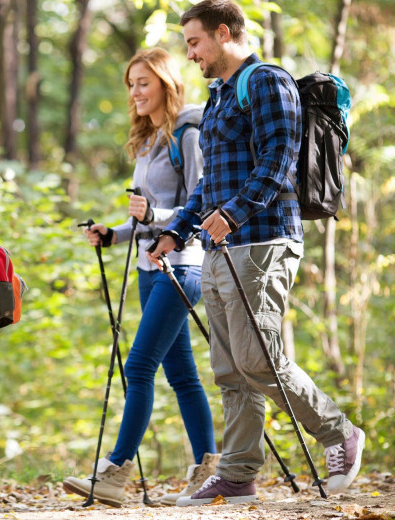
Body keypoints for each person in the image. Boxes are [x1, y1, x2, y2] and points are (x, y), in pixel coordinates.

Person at [148, 0, 365, 506]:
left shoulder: (266, 81)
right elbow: (207, 185)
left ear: (224, 33)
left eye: (195, 42)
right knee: (229, 368)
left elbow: (280, 158)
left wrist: (236, 214)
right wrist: (177, 231)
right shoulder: (220, 96)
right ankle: (238, 473)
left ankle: (339, 433)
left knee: (257, 357)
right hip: (221, 246)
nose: (191, 54)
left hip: (264, 238)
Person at [62, 48, 219, 507]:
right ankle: (208, 468)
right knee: (182, 375)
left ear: (166, 84)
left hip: (182, 265)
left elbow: (199, 205)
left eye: (144, 83)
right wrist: (113, 234)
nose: (135, 92)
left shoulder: (187, 134)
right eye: (131, 84)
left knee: (138, 366)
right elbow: (148, 218)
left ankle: (115, 472)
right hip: (149, 269)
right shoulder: (150, 141)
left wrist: (155, 213)